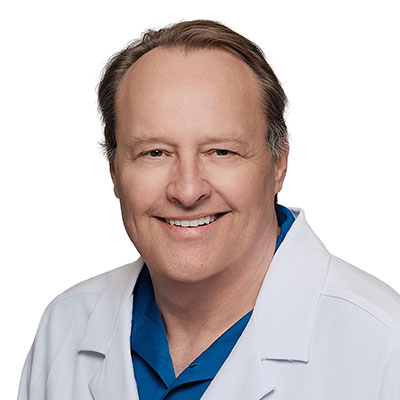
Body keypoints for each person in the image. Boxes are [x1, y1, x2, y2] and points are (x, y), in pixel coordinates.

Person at [18, 20, 400, 400]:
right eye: (155, 153)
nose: (187, 191)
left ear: (278, 164)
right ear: (114, 171)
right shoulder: (64, 327)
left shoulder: (384, 344)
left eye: (221, 152)